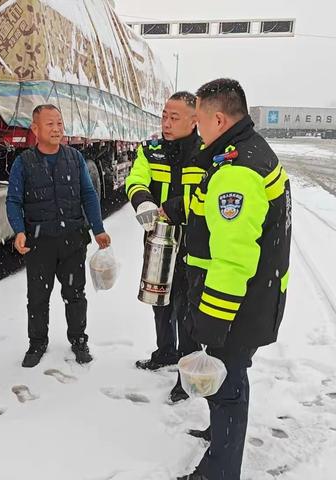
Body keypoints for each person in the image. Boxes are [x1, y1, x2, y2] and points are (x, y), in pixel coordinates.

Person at [176, 79, 291, 480]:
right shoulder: (242, 153)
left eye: (199, 120)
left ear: (219, 119)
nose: (197, 128)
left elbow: (234, 259)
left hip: (238, 304)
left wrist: (212, 322)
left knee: (228, 387)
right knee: (226, 385)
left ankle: (219, 472)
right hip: (256, 295)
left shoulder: (238, 171)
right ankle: (219, 436)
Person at [6, 104, 111, 368]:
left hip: (72, 240)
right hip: (39, 243)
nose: (56, 129)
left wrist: (97, 228)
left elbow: (88, 194)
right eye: (50, 124)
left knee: (75, 294)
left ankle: (78, 340)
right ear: (35, 128)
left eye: (60, 124)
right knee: (38, 297)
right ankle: (37, 343)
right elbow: (13, 200)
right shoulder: (24, 162)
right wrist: (19, 230)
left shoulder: (74, 158)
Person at [125, 92, 203, 399]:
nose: (166, 124)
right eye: (164, 116)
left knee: (187, 309)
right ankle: (165, 352)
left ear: (194, 120)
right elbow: (136, 178)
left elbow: (206, 195)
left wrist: (176, 207)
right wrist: (142, 200)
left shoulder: (207, 152)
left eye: (175, 118)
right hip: (159, 239)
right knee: (160, 300)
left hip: (193, 243)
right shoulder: (151, 149)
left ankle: (187, 373)